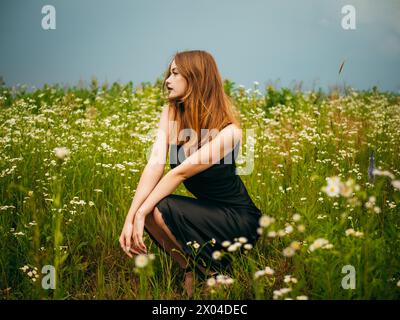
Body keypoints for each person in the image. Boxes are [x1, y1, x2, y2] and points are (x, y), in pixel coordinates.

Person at [119, 50, 262, 297]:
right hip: (206, 211)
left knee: (157, 207)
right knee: (151, 207)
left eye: (175, 73)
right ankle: (194, 268)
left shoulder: (230, 132)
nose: (167, 80)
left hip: (238, 219)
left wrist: (141, 213)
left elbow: (179, 174)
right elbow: (154, 164)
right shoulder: (172, 112)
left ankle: (212, 271)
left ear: (196, 78)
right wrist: (130, 218)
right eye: (169, 73)